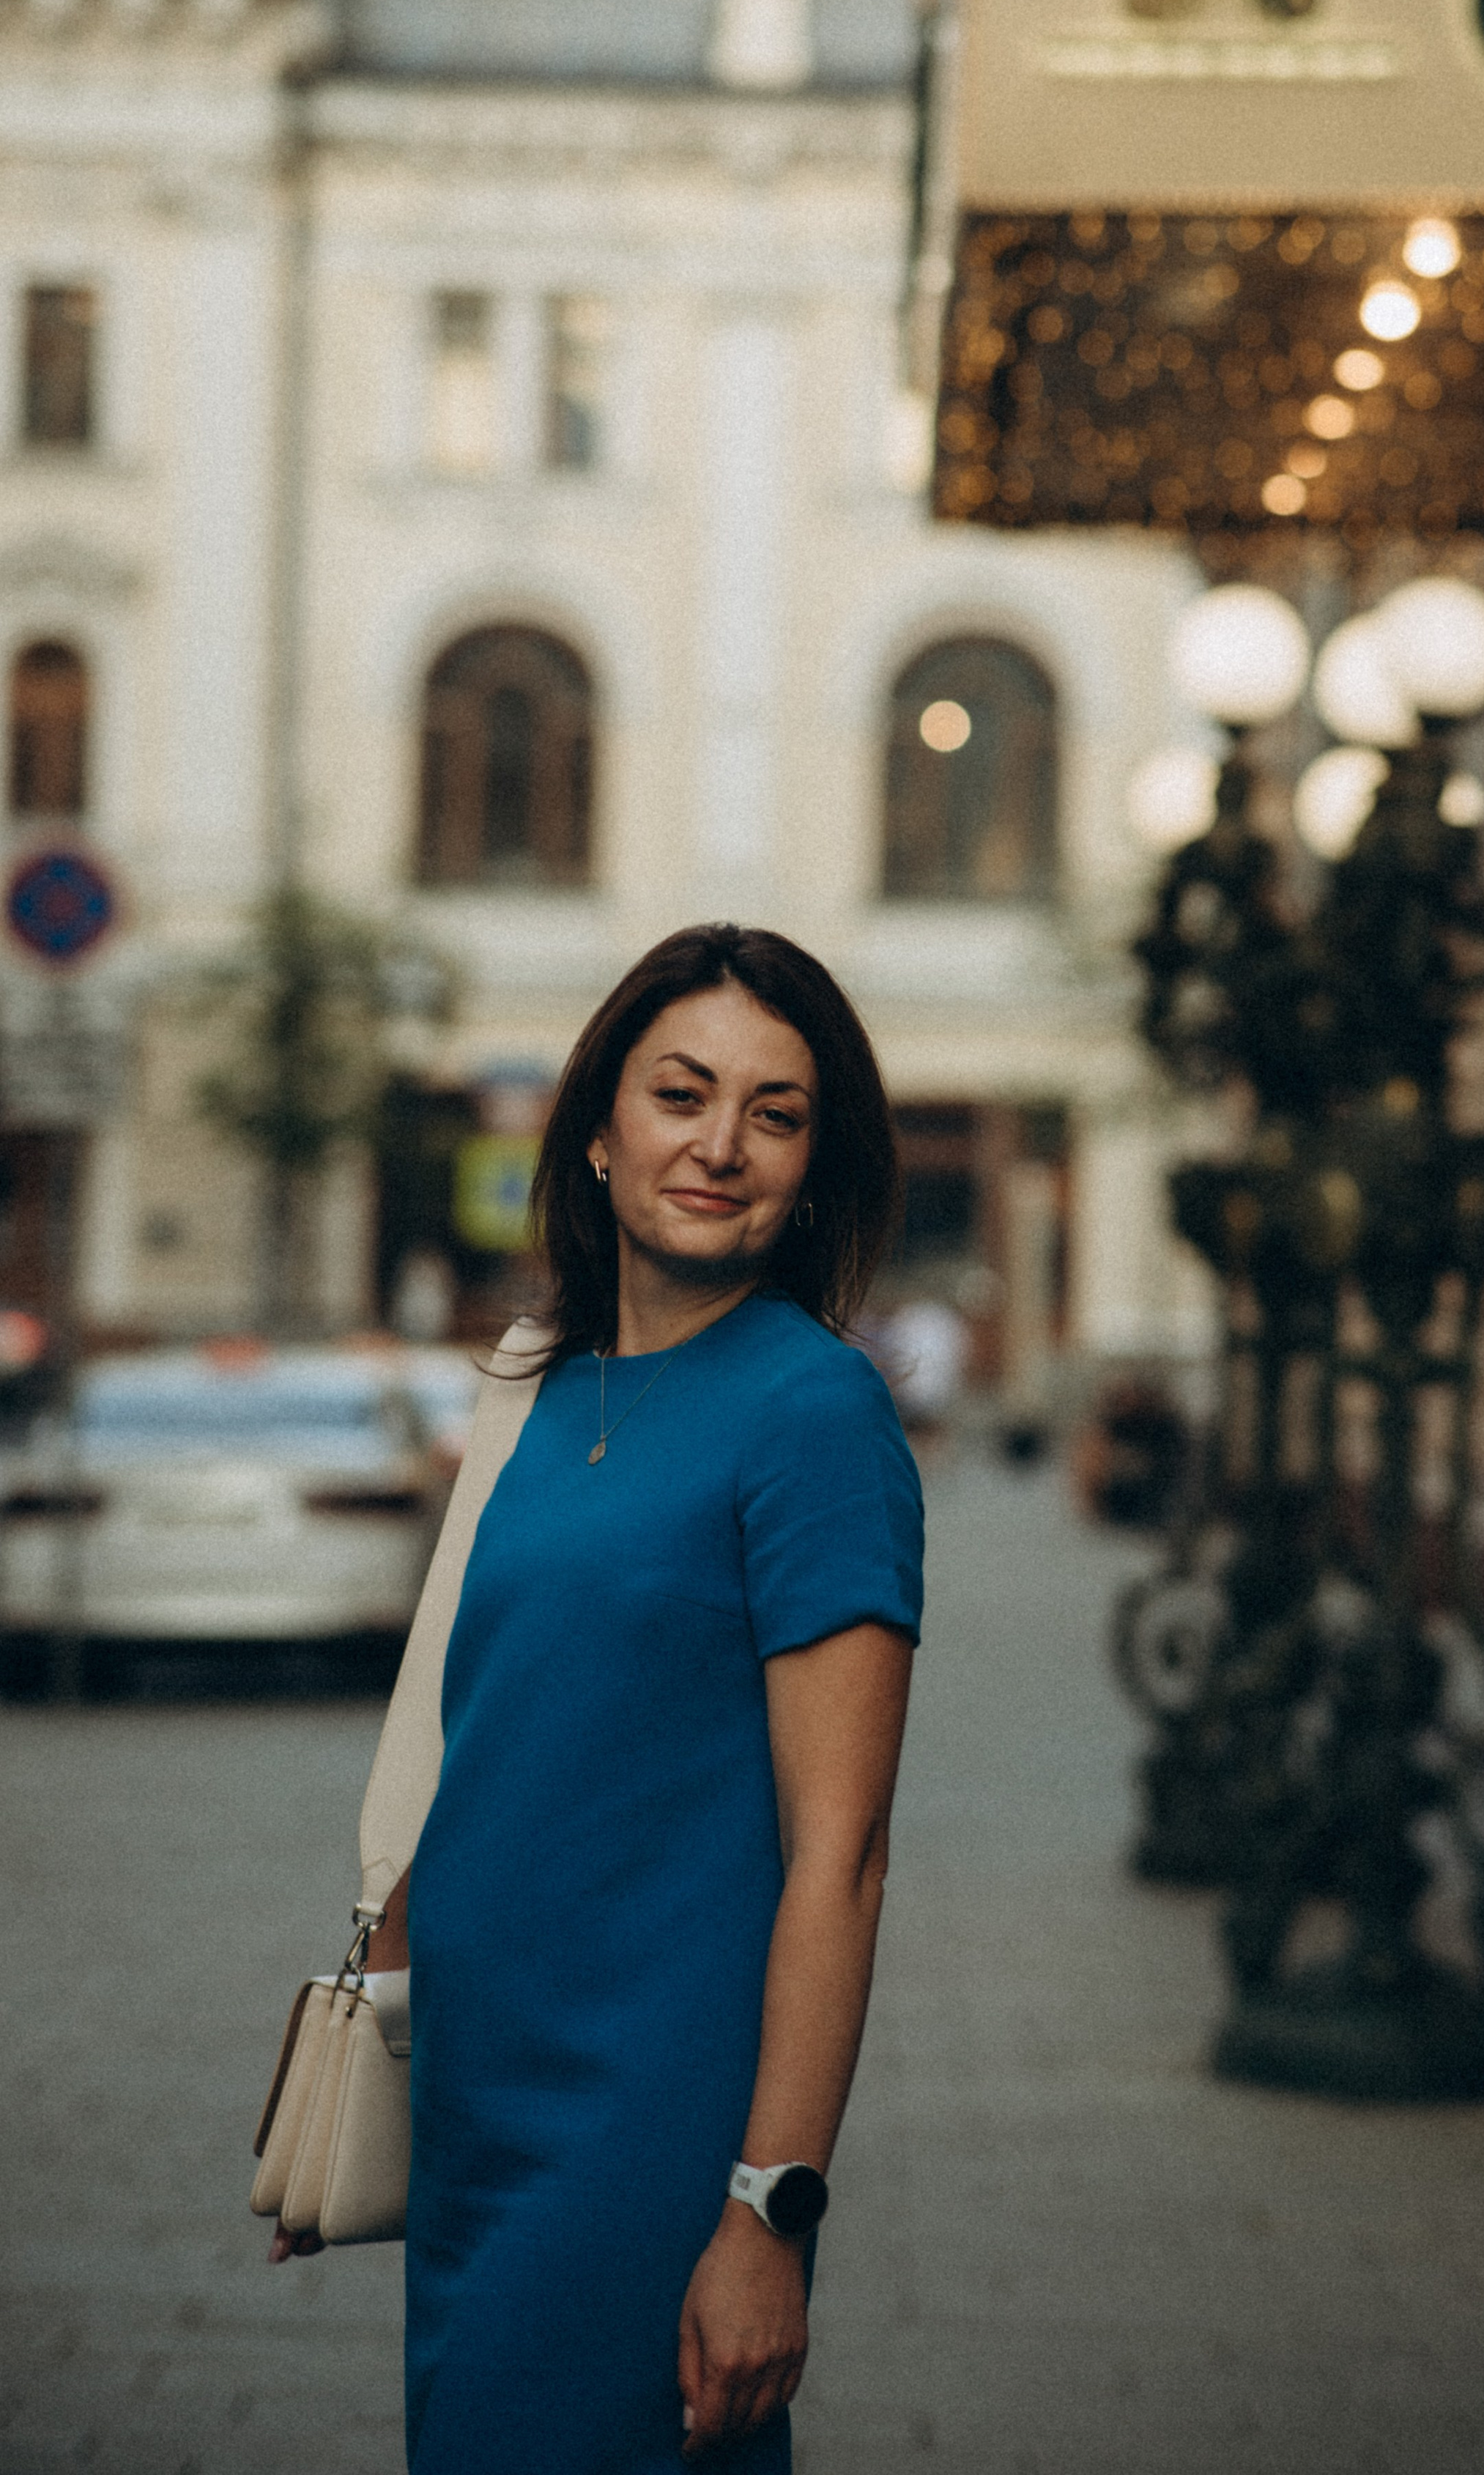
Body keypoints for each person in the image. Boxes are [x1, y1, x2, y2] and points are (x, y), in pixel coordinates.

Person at [271, 925, 923, 2473]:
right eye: (680, 1094)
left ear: (814, 1166)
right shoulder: (537, 1393)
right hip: (478, 2108)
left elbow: (841, 1852)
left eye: (774, 1114)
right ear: (596, 1131)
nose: (717, 1145)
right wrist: (358, 2045)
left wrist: (770, 2209)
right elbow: (482, 1737)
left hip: (647, 2133)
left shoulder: (813, 1412)